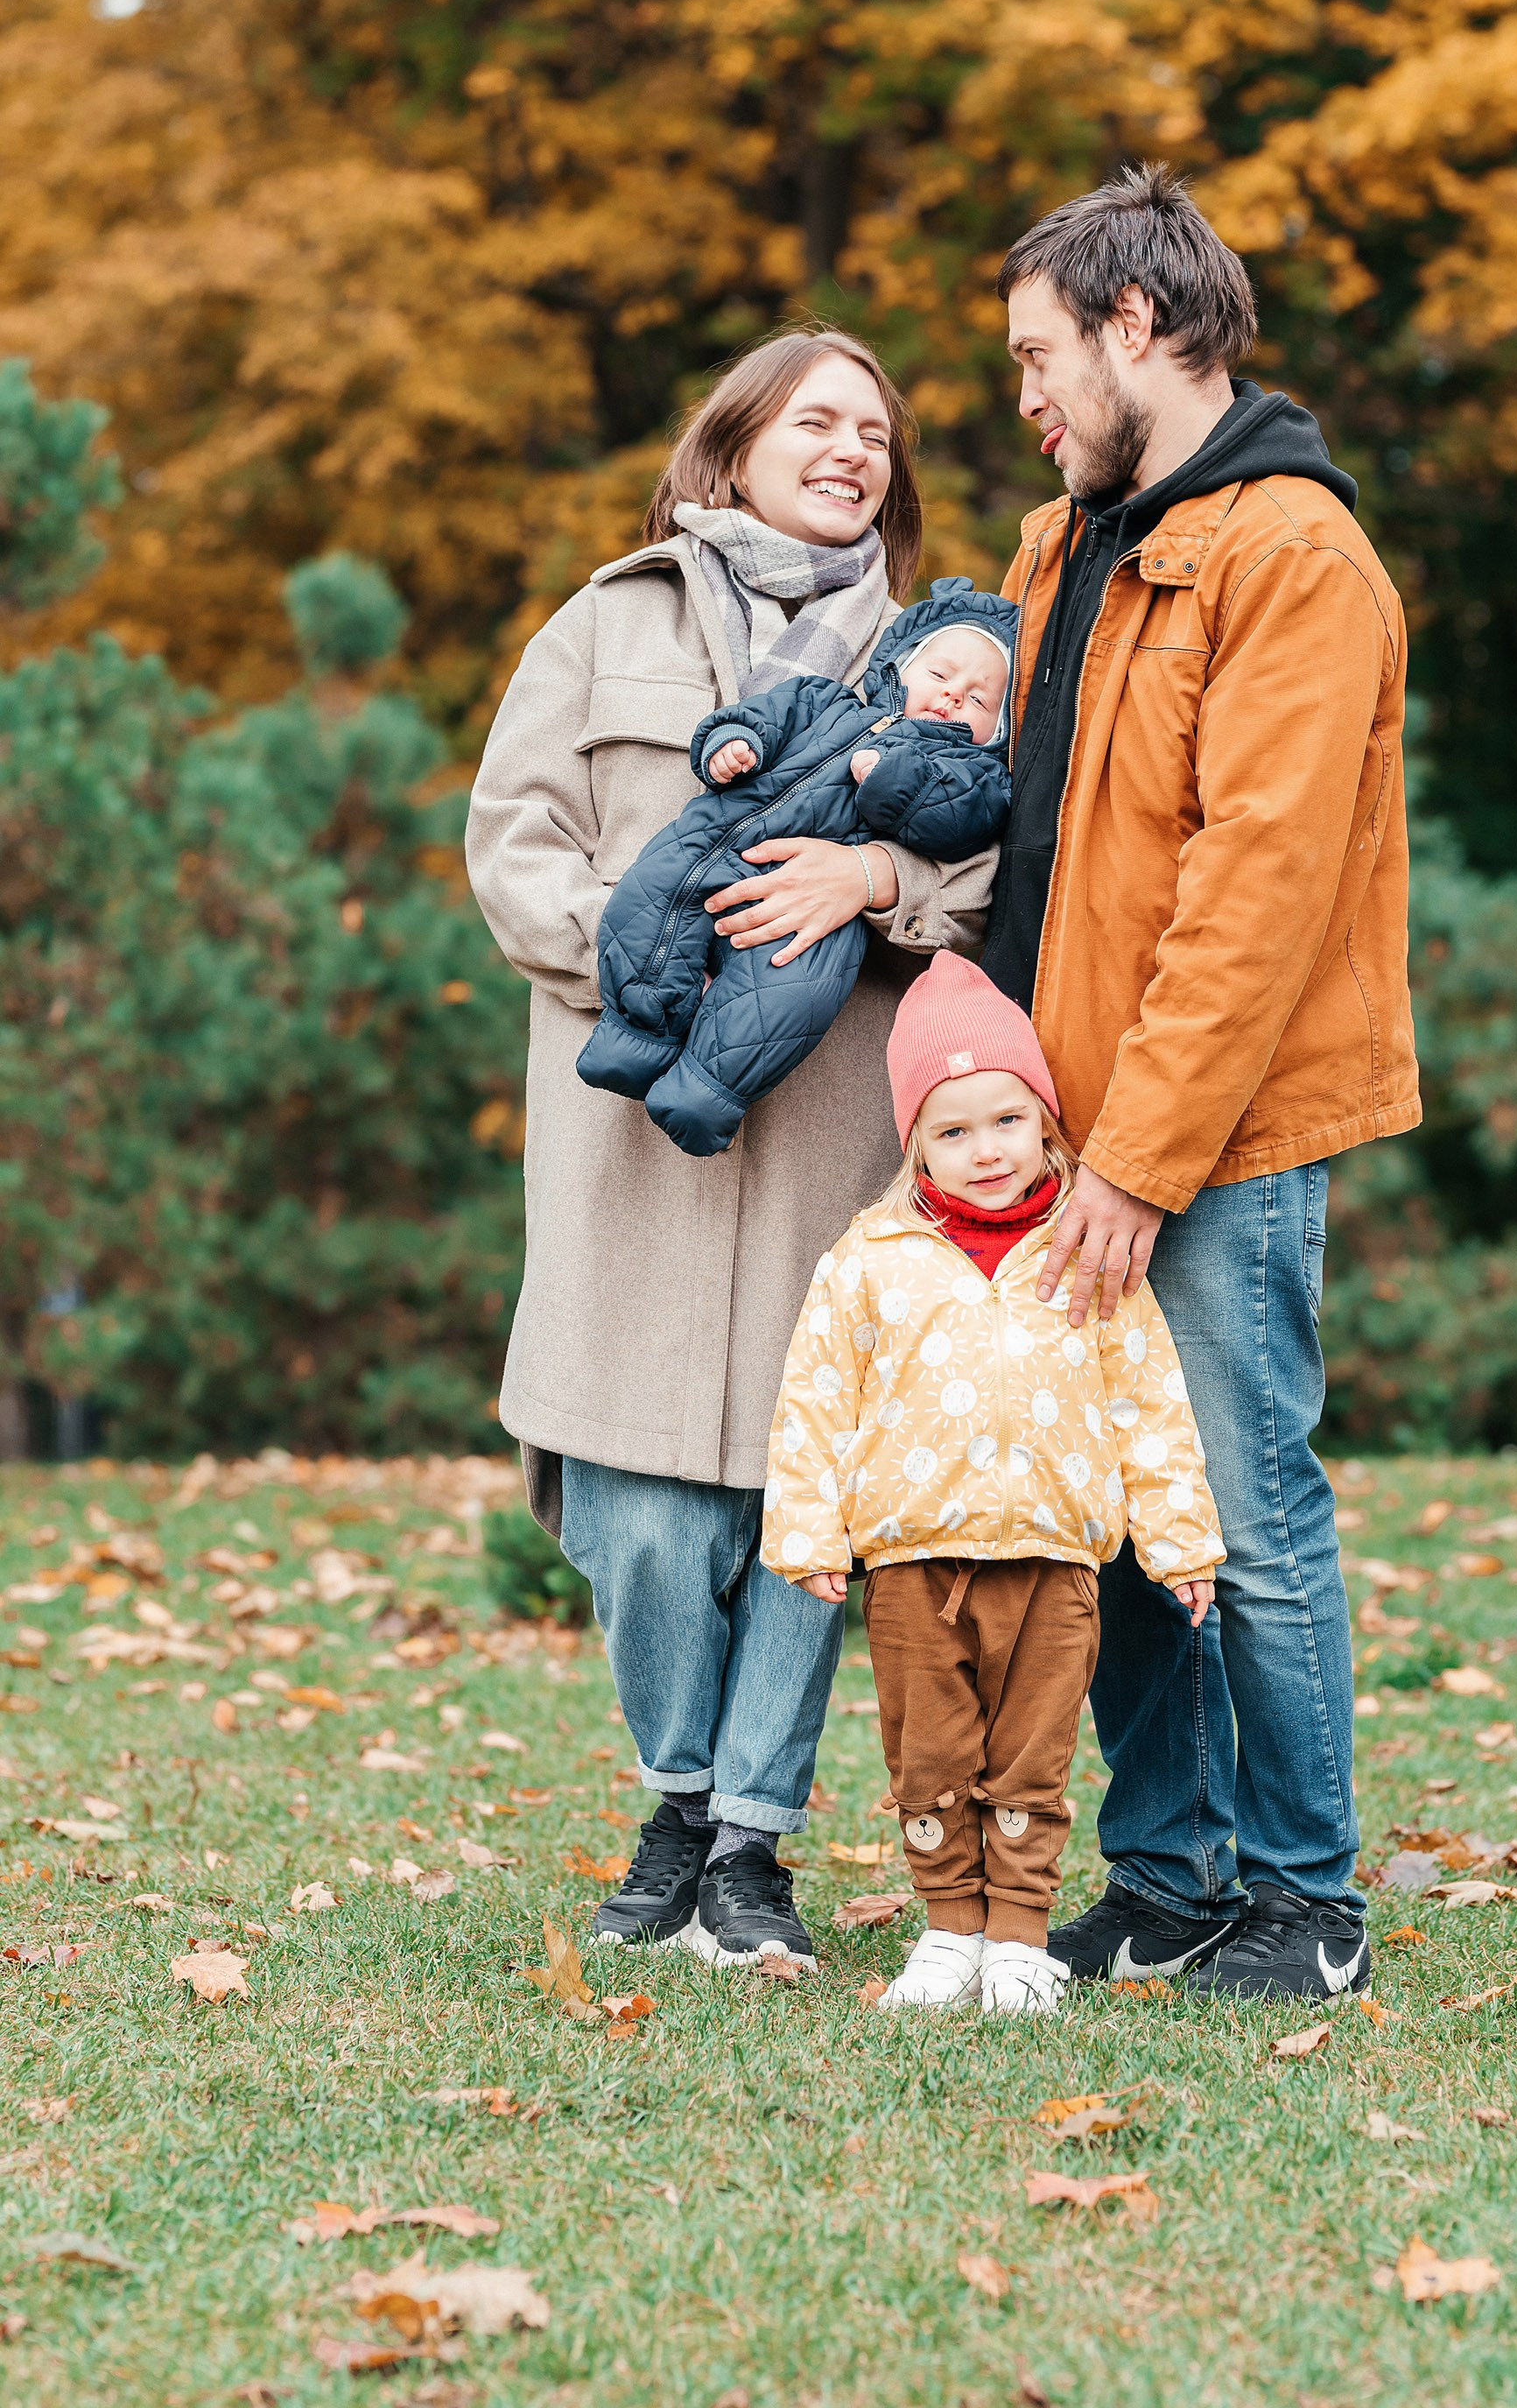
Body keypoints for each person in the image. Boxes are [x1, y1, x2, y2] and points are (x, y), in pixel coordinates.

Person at [466, 328, 996, 1974]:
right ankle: (676, 1798)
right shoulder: (602, 622)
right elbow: (513, 839)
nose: (855, 448)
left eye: (878, 431)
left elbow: (999, 863)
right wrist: (653, 956)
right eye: (820, 420)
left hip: (833, 1134)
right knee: (637, 1511)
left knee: (802, 1506)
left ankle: (749, 1846)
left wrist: (874, 890)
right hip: (632, 1129)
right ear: (733, 445)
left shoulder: (943, 655)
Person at [981, 163, 1419, 2003]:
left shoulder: (1290, 559)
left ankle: (1303, 1902)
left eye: (1034, 354)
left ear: (1133, 327)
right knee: (1104, 1518)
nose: (1021, 396)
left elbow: (1251, 897)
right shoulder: (1059, 541)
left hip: (1210, 1145)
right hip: (1053, 1125)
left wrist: (1141, 1162)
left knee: (1237, 1511)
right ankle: (1164, 1875)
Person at [761, 954, 1224, 2014]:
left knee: (1030, 1763)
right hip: (915, 1561)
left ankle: (1018, 1936)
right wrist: (808, 1531)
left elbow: (1147, 1402)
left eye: (1007, 1120)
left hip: (1055, 1563)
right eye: (952, 1130)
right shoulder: (871, 1257)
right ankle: (948, 1927)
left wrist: (1181, 1541)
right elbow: (815, 1397)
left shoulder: (1087, 1254)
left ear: (1047, 1123)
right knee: (931, 1758)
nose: (984, 1150)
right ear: (914, 1140)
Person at [577, 580, 1015, 1155]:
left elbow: (960, 821)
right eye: (939, 675)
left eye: (980, 699)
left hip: (817, 923)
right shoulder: (822, 699)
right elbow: (757, 719)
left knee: (789, 998)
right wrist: (732, 744)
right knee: (651, 902)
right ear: (900, 666)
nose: (955, 695)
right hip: (715, 847)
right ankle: (634, 1036)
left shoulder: (971, 772)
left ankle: (706, 1092)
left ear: (1000, 729)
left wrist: (894, 780)